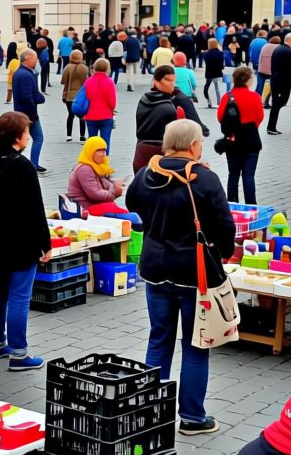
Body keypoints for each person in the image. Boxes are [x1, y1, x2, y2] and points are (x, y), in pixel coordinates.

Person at [126, 119, 231, 435]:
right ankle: (192, 417)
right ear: (193, 145)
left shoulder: (147, 173)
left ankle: (148, 412)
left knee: (159, 338)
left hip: (155, 268)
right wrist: (220, 251)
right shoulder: (205, 178)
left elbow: (132, 203)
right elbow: (225, 224)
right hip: (193, 272)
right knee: (196, 344)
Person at [0, 112, 52, 370]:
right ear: (18, 137)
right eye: (27, 132)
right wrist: (45, 243)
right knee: (18, 296)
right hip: (22, 241)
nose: (29, 135)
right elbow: (36, 208)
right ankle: (19, 354)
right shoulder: (23, 166)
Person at [135, 65, 204, 172]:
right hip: (160, 157)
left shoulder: (144, 99)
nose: (171, 83)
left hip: (140, 152)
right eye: (167, 80)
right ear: (156, 81)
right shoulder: (169, 108)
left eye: (173, 80)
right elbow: (176, 143)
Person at [215, 66, 264, 204]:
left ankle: (232, 203)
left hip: (232, 139)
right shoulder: (255, 96)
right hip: (251, 139)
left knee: (233, 174)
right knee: (249, 175)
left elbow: (220, 117)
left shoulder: (227, 97)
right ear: (248, 80)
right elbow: (259, 117)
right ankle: (251, 205)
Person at [66, 136, 128, 217]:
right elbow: (95, 194)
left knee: (128, 214)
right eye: (99, 151)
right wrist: (115, 192)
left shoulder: (98, 166)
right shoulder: (84, 169)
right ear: (90, 151)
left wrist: (116, 185)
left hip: (95, 205)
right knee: (130, 217)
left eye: (104, 150)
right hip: (85, 209)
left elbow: (107, 186)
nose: (103, 154)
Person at [266, 34, 291, 135]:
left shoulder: (278, 48)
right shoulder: (289, 51)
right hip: (283, 81)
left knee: (277, 103)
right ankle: (271, 127)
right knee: (279, 102)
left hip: (276, 79)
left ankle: (271, 126)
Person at [81, 58, 118, 148]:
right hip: (106, 116)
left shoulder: (88, 81)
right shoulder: (110, 82)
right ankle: (104, 160)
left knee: (92, 141)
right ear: (107, 68)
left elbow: (84, 98)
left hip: (90, 116)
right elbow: (112, 103)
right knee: (105, 142)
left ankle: (92, 160)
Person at [59, 51, 90, 142]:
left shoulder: (67, 67)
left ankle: (69, 135)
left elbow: (63, 81)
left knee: (70, 115)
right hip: (81, 96)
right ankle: (82, 136)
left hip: (69, 95)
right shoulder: (85, 68)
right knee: (82, 116)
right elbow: (88, 82)